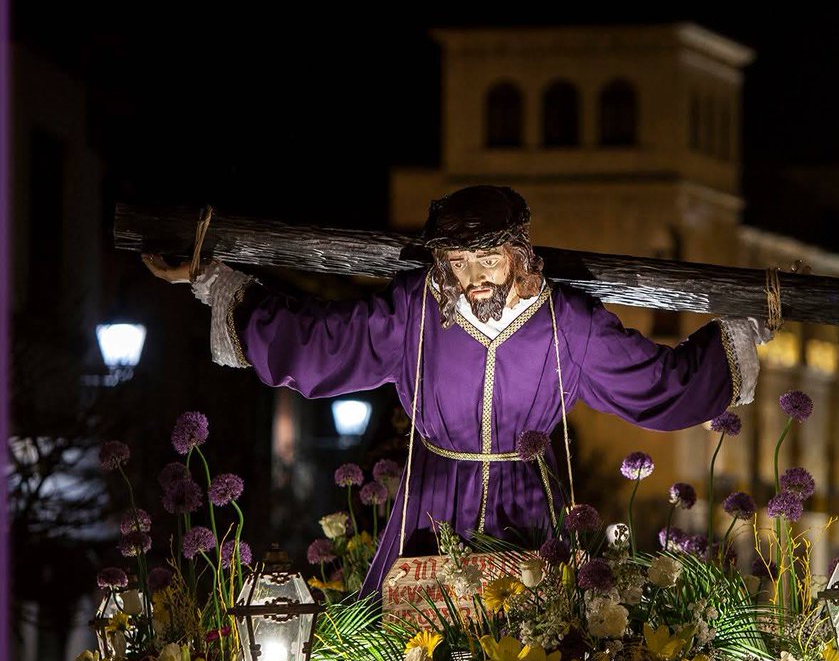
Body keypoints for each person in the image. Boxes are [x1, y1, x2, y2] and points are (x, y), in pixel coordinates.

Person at [144, 185, 767, 596]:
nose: (472, 279)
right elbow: (318, 344)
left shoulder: (566, 323)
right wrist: (209, 279)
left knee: (533, 644)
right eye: (458, 263)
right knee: (414, 652)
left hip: (530, 505)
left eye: (486, 260)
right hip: (430, 503)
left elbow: (656, 384)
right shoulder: (413, 313)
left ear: (518, 255)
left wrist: (747, 324)